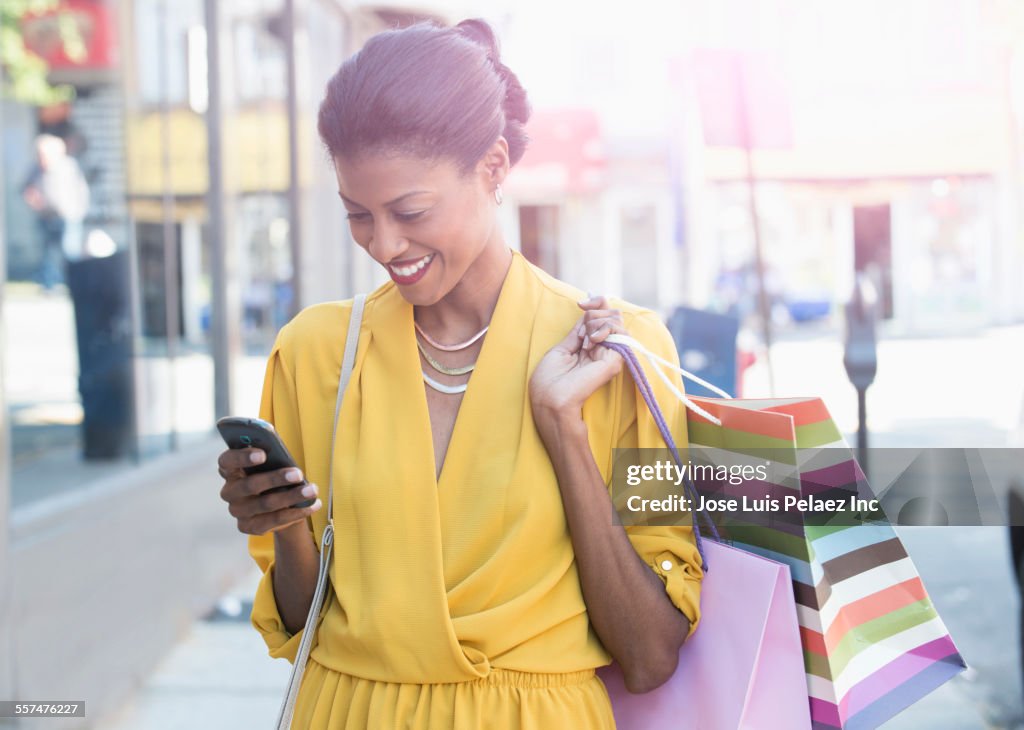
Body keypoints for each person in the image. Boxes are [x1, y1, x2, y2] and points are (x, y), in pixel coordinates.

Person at [218, 19, 703, 728]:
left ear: (494, 166)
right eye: (359, 215)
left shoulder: (621, 353)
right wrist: (286, 527)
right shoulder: (314, 352)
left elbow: (651, 654)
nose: (385, 244)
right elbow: (304, 622)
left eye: (410, 211)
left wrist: (562, 430)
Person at [21, 133, 90, 292]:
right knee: (47, 252)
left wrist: (79, 210)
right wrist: (33, 199)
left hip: (68, 215)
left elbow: (81, 190)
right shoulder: (36, 169)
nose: (42, 158)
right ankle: (49, 284)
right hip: (46, 216)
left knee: (69, 250)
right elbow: (25, 188)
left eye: (44, 154)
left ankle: (73, 284)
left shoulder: (68, 167)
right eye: (39, 155)